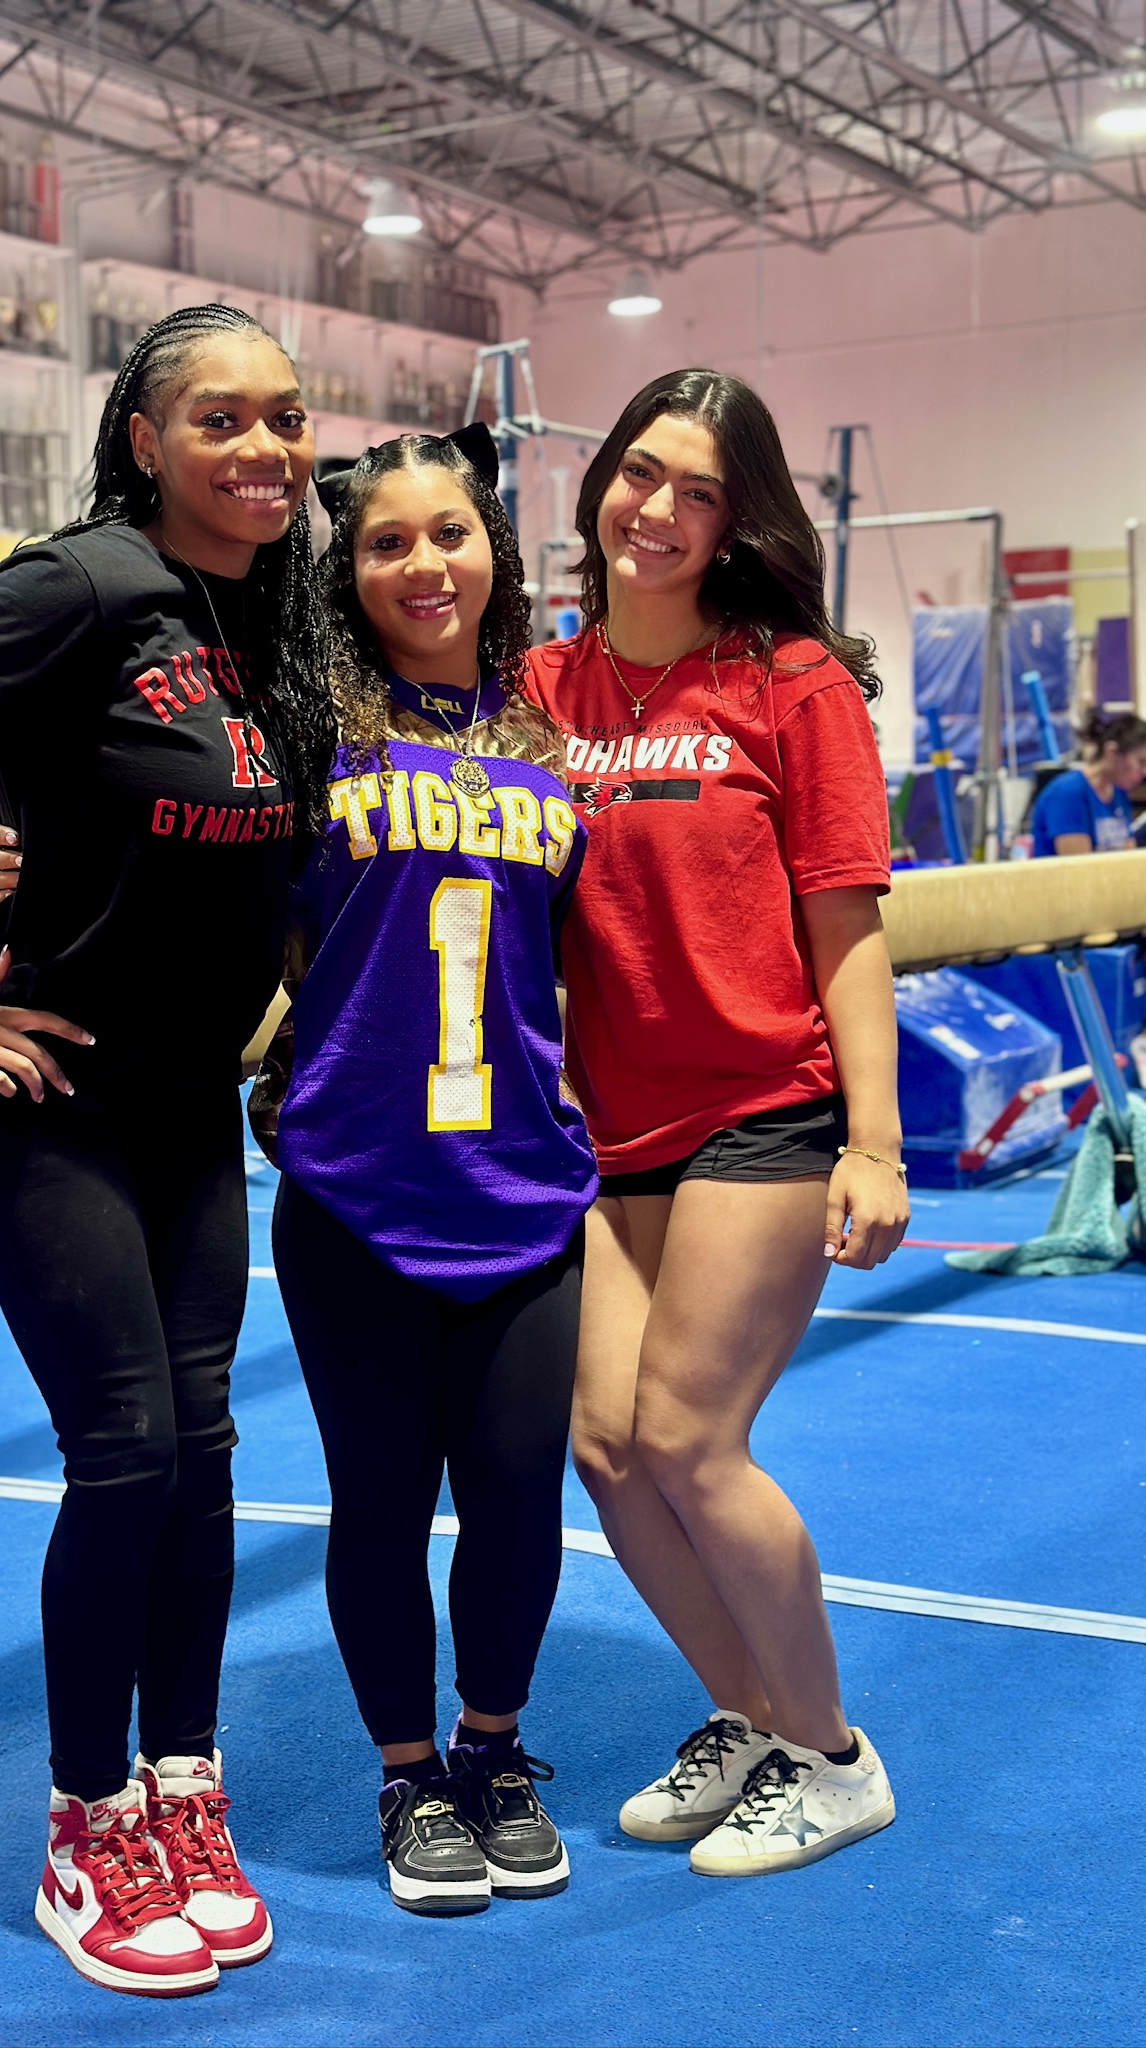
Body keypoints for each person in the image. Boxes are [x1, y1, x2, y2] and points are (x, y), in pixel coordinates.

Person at [0, 425, 599, 1918]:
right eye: (385, 543)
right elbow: (159, 820)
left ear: (492, 551)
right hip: (359, 1185)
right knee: (378, 1502)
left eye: (448, 534)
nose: (422, 565)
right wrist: (25, 852)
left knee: (517, 1498)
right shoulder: (305, 721)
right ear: (350, 570)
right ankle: (404, 1775)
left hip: (523, 1183)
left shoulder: (547, 735)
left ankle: (494, 1751)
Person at [0, 304, 336, 1998]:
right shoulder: (80, 581)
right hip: (50, 1088)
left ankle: (184, 1778)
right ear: (146, 439)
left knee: (205, 1446)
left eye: (287, 417)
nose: (264, 449)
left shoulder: (274, 618)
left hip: (184, 1098)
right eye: (222, 420)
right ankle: (86, 1811)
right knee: (124, 1450)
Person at [526, 367, 909, 1877]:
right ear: (599, 480)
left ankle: (832, 1757)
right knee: (606, 1444)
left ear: (737, 519)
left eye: (699, 491)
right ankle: (749, 1717)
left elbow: (849, 924)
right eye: (641, 473)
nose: (660, 511)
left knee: (690, 1435)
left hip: (763, 1105)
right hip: (607, 1126)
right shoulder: (539, 695)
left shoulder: (786, 681)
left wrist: (874, 1144)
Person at [1030, 709, 1146, 857]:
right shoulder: (1067, 794)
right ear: (1112, 752)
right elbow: (1079, 870)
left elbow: (1128, 858)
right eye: (1141, 762)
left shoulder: (1118, 791)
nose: (1144, 772)